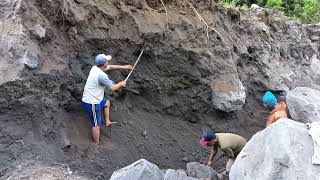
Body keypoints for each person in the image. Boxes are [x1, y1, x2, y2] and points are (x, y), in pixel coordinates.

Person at [82, 54, 132, 144]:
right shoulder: (101, 76)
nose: (108, 63)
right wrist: (121, 84)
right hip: (91, 102)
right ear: (104, 64)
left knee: (107, 103)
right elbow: (113, 88)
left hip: (94, 97)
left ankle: (107, 121)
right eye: (107, 61)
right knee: (96, 125)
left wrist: (124, 67)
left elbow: (111, 67)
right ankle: (96, 144)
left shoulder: (95, 67)